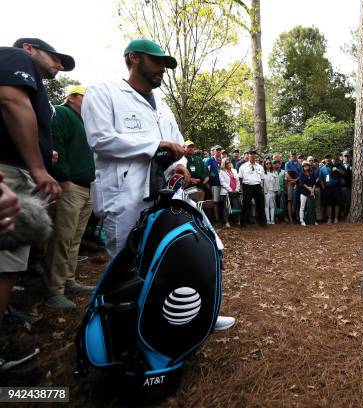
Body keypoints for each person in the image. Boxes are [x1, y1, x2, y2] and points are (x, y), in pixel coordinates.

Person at [82, 39, 234, 330]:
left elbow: (178, 145)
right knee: (128, 265)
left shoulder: (162, 106)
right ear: (134, 58)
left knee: (173, 257)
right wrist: (154, 145)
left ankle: (191, 318)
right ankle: (126, 332)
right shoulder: (104, 93)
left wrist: (181, 165)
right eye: (157, 62)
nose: (163, 69)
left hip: (165, 195)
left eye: (166, 64)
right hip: (124, 197)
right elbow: (101, 140)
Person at [0, 37, 71, 369]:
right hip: (10, 175)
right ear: (29, 48)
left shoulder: (34, 83)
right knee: (4, 264)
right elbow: (11, 101)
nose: (59, 65)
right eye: (55, 57)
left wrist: (44, 151)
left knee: (10, 263)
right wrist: (39, 167)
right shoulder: (16, 57)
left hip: (16, 172)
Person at [45, 85, 96, 310]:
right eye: (86, 97)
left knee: (75, 239)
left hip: (87, 187)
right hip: (70, 185)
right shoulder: (62, 112)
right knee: (62, 239)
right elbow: (56, 144)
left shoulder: (86, 122)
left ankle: (68, 280)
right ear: (73, 97)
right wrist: (63, 179)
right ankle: (54, 290)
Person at [237, 150, 266, 227]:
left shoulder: (260, 167)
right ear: (248, 156)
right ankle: (243, 223)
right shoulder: (243, 166)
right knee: (245, 205)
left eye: (254, 154)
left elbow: (262, 178)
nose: (252, 156)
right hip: (247, 186)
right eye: (251, 154)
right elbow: (240, 178)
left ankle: (262, 222)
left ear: (255, 156)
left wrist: (261, 188)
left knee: (260, 204)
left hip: (257, 186)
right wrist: (242, 188)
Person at [319, 153, 345, 224]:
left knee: (337, 203)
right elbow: (321, 180)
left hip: (336, 186)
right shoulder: (322, 169)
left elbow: (343, 173)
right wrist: (324, 188)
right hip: (327, 188)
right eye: (326, 158)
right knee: (328, 204)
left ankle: (336, 218)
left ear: (331, 158)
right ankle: (329, 219)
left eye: (329, 157)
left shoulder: (336, 165)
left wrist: (337, 170)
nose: (327, 159)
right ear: (324, 159)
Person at [219, 158, 240, 227]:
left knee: (236, 205)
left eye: (229, 162)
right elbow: (222, 182)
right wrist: (230, 189)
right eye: (227, 163)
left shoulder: (234, 170)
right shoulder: (221, 172)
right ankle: (226, 221)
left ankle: (237, 220)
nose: (229, 164)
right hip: (226, 192)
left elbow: (237, 180)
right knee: (226, 207)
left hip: (235, 191)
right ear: (224, 164)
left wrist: (237, 189)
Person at [205, 145, 223, 223]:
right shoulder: (210, 160)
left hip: (223, 184)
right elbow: (206, 172)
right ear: (214, 151)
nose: (218, 151)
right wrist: (208, 184)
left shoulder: (223, 160)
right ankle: (216, 218)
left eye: (220, 150)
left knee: (222, 201)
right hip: (214, 184)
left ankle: (222, 217)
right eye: (217, 150)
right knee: (215, 201)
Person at [298, 161, 318, 227]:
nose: (306, 166)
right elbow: (302, 183)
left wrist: (313, 189)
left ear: (309, 166)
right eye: (304, 165)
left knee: (312, 207)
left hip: (311, 192)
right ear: (303, 167)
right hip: (304, 192)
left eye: (307, 165)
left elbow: (314, 183)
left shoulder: (312, 174)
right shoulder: (301, 174)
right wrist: (308, 188)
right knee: (302, 207)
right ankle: (302, 220)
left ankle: (312, 220)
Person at [262, 159, 279, 224]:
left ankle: (272, 219)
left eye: (269, 163)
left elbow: (276, 183)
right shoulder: (263, 173)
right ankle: (268, 220)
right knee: (266, 206)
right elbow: (262, 183)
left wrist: (276, 191)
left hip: (273, 191)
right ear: (264, 165)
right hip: (266, 191)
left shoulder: (274, 173)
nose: (268, 165)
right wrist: (264, 192)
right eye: (267, 163)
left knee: (272, 206)